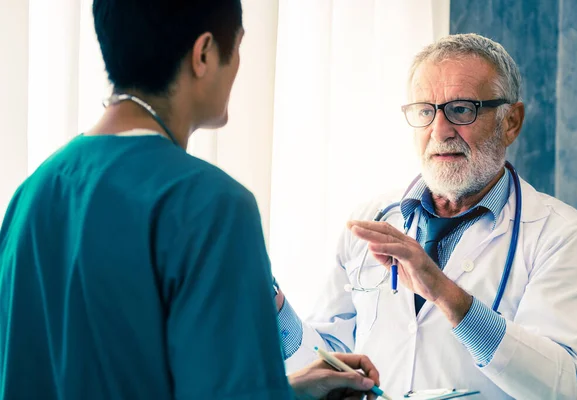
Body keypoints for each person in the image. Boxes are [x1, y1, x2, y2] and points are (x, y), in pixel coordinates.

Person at [0, 1, 382, 399]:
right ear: (203, 55)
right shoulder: (211, 206)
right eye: (236, 49)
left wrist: (289, 392)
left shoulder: (32, 194)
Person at [273, 33, 577, 399]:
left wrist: (447, 296)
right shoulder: (371, 221)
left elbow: (574, 388)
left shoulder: (560, 234)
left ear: (511, 122)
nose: (439, 131)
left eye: (462, 109)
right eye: (425, 111)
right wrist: (277, 309)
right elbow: (330, 360)